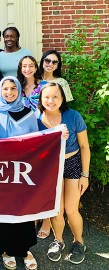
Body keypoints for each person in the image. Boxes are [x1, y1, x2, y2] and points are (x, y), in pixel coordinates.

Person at [0, 76, 38, 270]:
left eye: (13, 89)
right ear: (0, 90)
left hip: (22, 171)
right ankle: (5, 249)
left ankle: (24, 249)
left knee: (23, 210)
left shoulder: (29, 114)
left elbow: (38, 141)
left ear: (19, 90)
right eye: (5, 89)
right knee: (2, 209)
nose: (9, 92)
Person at [37, 82, 90, 265]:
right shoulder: (36, 119)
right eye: (47, 97)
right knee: (56, 209)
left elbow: (84, 146)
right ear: (41, 99)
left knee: (71, 209)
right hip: (50, 167)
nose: (51, 101)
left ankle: (78, 242)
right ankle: (58, 240)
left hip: (72, 163)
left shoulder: (73, 116)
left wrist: (85, 174)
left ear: (62, 98)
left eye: (55, 97)